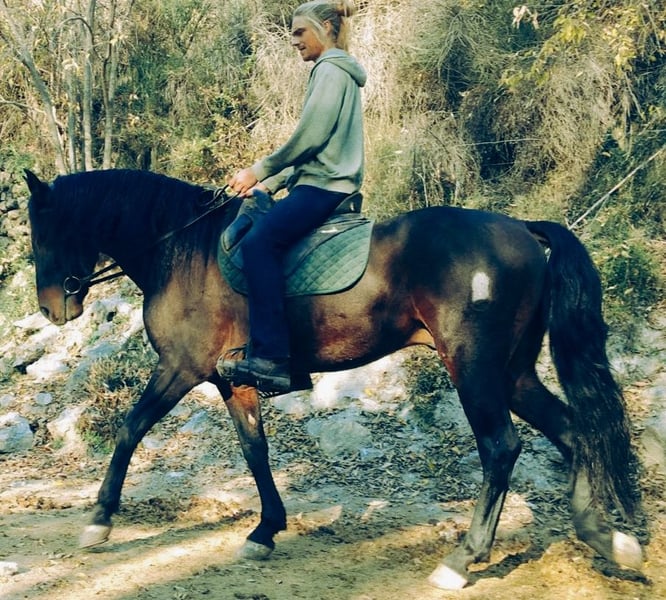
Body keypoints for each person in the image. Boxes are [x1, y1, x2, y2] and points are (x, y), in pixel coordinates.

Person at [217, 0, 366, 393]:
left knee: (259, 244)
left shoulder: (330, 69)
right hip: (320, 182)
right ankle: (294, 358)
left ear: (327, 28)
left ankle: (271, 358)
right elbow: (316, 150)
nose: (293, 40)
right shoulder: (336, 70)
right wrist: (272, 182)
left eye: (300, 32)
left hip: (324, 188)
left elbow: (309, 138)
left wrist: (259, 170)